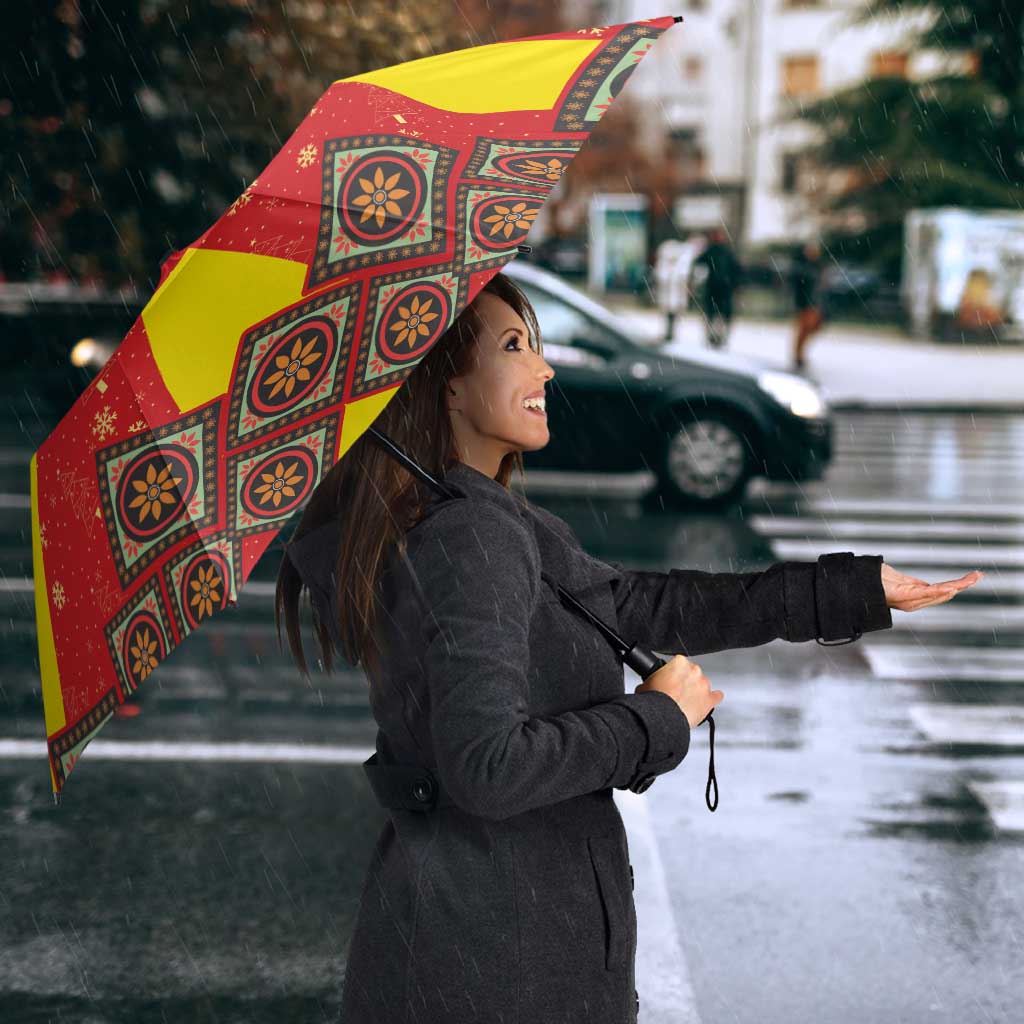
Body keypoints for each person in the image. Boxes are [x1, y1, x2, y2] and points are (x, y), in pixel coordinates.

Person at [276, 271, 982, 1024]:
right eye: (514, 346)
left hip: (474, 940)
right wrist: (655, 719)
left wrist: (849, 590)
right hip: (499, 961)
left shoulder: (471, 519)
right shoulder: (471, 536)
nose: (545, 368)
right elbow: (488, 767)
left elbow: (640, 606)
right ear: (446, 384)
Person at [692, 226, 742, 349]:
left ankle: (719, 337)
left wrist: (735, 284)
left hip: (722, 289)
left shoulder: (724, 252)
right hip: (716, 288)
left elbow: (736, 270)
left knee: (719, 315)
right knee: (714, 314)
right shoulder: (714, 251)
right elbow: (698, 263)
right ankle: (713, 337)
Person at [790, 239, 826, 370]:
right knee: (804, 329)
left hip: (814, 303)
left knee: (812, 327)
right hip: (805, 303)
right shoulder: (802, 267)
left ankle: (799, 354)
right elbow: (799, 286)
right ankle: (798, 355)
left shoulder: (816, 266)